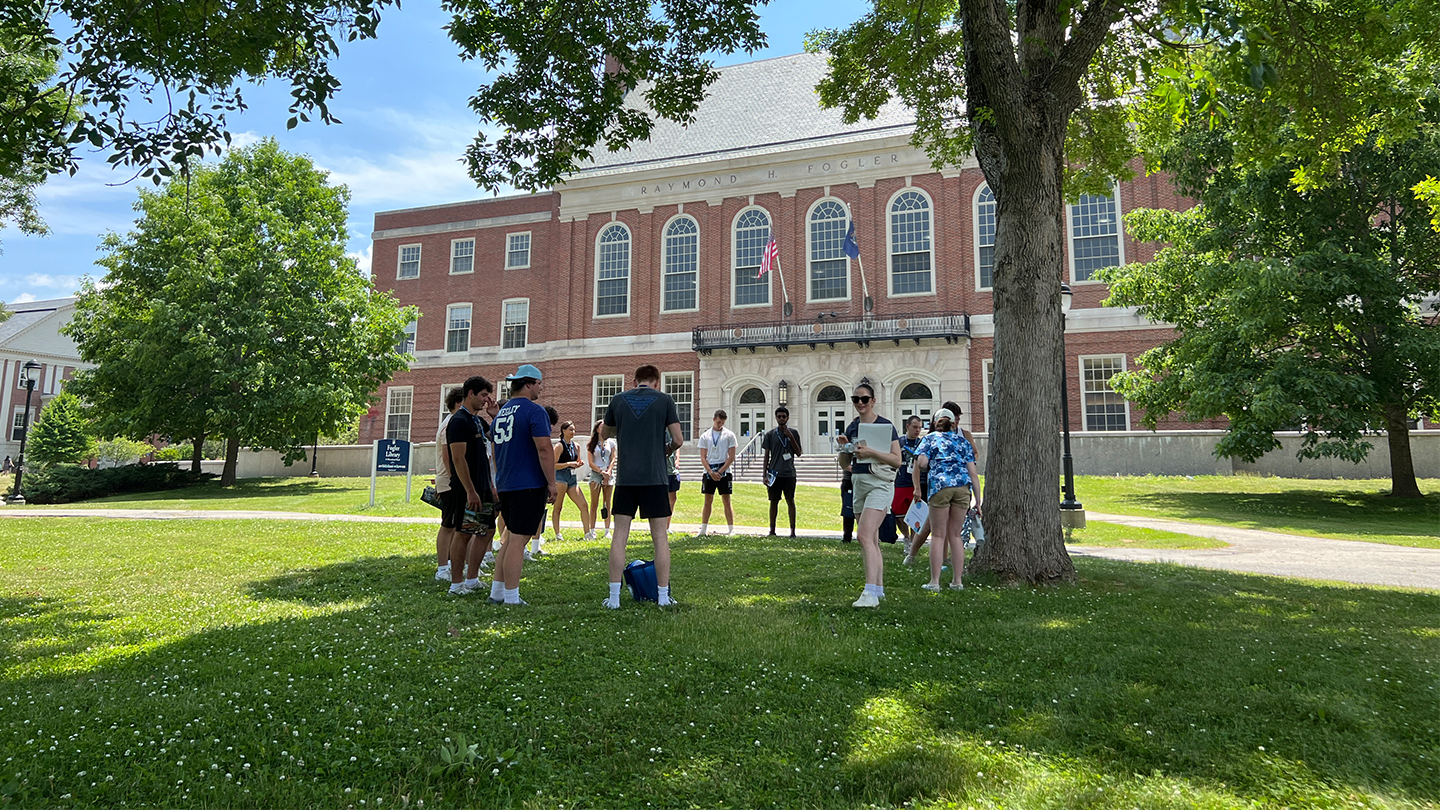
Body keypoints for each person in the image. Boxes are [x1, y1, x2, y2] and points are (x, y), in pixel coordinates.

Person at [601, 364, 685, 609]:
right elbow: (678, 439)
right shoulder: (665, 400)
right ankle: (662, 596)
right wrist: (667, 449)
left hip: (626, 478)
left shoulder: (618, 400)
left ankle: (614, 598)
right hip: (655, 477)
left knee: (619, 535)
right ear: (657, 382)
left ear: (634, 380)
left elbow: (605, 433)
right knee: (660, 537)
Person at [488, 364, 556, 606]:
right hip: (527, 483)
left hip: (506, 483)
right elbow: (544, 449)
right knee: (519, 540)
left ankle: (497, 592)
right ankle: (511, 597)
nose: (541, 388)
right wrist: (552, 483)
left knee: (510, 539)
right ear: (528, 384)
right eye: (539, 383)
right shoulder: (535, 411)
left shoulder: (501, 414)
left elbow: (495, 452)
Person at [834, 382, 902, 608]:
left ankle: (869, 593)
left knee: (863, 535)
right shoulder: (853, 427)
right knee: (870, 539)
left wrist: (871, 451)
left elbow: (897, 460)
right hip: (859, 482)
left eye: (864, 399)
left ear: (873, 401)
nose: (860, 403)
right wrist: (844, 448)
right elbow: (845, 464)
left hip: (880, 483)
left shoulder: (885, 426)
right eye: (856, 399)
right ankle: (878, 589)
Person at [915, 407, 982, 591]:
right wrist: (978, 501)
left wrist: (924, 462)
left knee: (938, 535)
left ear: (935, 422)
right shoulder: (963, 441)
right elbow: (973, 473)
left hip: (940, 486)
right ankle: (957, 581)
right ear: (953, 423)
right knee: (956, 535)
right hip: (962, 488)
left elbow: (922, 463)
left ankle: (934, 582)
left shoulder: (929, 439)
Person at [442, 376, 498, 596]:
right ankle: (456, 584)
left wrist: (494, 416)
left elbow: (496, 438)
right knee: (464, 532)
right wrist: (470, 491)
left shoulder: (477, 421)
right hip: (467, 488)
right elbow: (458, 459)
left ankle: (472, 578)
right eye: (483, 395)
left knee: (487, 530)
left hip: (482, 485)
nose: (486, 400)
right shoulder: (459, 421)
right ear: (471, 393)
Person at [905, 400, 978, 564]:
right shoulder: (931, 436)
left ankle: (945, 559)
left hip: (958, 483)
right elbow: (917, 464)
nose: (957, 420)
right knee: (930, 524)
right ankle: (912, 554)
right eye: (955, 417)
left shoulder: (964, 436)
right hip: (934, 483)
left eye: (958, 417)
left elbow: (974, 455)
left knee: (950, 526)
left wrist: (964, 464)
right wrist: (917, 488)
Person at [434, 386, 467, 581]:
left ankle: (456, 565)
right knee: (448, 525)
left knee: (458, 526)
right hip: (450, 483)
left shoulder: (456, 422)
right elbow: (448, 457)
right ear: (458, 403)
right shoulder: (450, 424)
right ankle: (442, 569)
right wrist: (455, 479)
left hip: (454, 481)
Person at [762, 406, 802, 537]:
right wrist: (764, 474)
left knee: (790, 500)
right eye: (779, 417)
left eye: (783, 417)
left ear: (787, 418)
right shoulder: (770, 435)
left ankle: (793, 532)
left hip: (789, 473)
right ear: (776, 418)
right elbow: (766, 455)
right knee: (773, 501)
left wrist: (790, 437)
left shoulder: (794, 433)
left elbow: (798, 453)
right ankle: (772, 530)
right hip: (774, 473)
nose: (781, 419)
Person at [549, 420, 593, 542]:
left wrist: (578, 464)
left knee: (584, 505)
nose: (573, 432)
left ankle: (587, 533)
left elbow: (577, 461)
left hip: (572, 478)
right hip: (561, 477)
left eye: (574, 429)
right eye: (570, 429)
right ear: (563, 431)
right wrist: (568, 464)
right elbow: (553, 465)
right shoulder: (559, 446)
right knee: (558, 507)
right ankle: (558, 534)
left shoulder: (576, 446)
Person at [696, 409, 737, 536]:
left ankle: (731, 529)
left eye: (722, 423)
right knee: (708, 500)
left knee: (726, 500)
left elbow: (731, 457)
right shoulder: (705, 436)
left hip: (724, 470)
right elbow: (703, 457)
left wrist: (720, 471)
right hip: (709, 470)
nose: (720, 425)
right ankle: (703, 529)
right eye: (718, 422)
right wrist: (710, 472)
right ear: (714, 419)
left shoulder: (729, 435)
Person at [892, 416, 924, 546]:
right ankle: (906, 537)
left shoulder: (922, 443)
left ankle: (913, 542)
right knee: (898, 514)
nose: (917, 430)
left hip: (916, 484)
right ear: (907, 426)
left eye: (920, 428)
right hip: (900, 482)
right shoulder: (899, 442)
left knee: (916, 515)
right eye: (915, 427)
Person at [586, 420, 617, 538]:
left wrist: (608, 472)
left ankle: (607, 530)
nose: (604, 429)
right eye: (601, 427)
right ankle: (592, 530)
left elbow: (613, 458)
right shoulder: (591, 444)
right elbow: (590, 462)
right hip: (596, 473)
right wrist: (601, 472)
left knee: (607, 503)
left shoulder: (611, 443)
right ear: (597, 429)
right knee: (594, 503)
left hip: (608, 473)